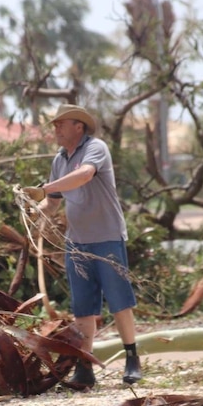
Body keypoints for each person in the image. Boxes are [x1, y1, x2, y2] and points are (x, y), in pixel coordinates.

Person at [22, 103, 142, 388]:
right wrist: (35, 211)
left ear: (79, 126)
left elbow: (85, 175)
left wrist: (46, 188)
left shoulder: (95, 148)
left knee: (119, 302)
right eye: (54, 125)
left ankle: (132, 359)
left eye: (61, 124)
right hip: (76, 243)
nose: (56, 129)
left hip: (108, 237)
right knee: (83, 309)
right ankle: (85, 368)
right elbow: (52, 202)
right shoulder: (59, 160)